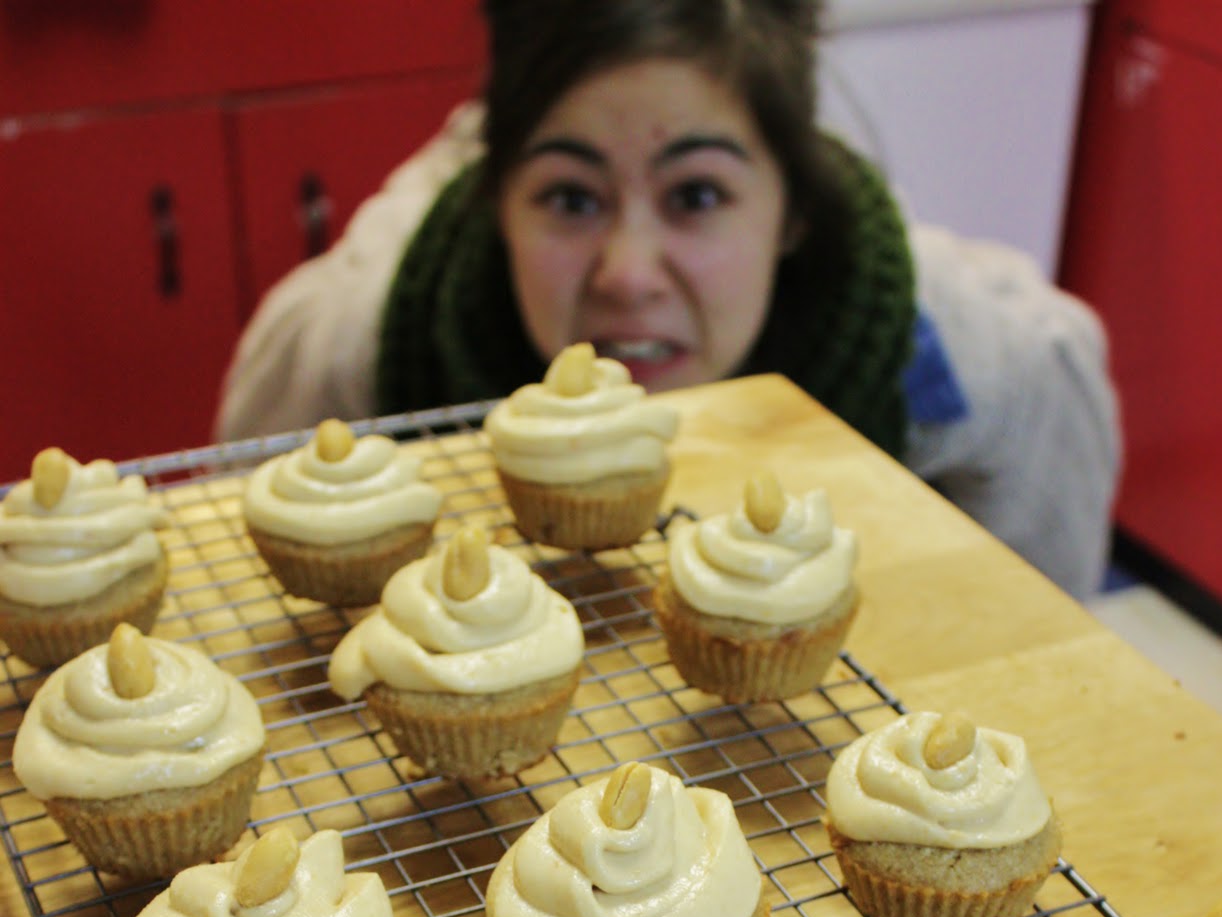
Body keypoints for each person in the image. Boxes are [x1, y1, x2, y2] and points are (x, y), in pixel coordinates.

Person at [215, 0, 1121, 600]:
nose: (629, 274)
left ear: (792, 212)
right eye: (571, 199)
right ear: (498, 208)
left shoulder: (969, 353)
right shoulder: (359, 339)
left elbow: (1039, 643)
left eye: (696, 195)